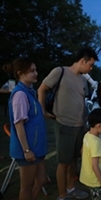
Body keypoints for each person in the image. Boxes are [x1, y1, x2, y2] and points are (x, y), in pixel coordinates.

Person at [38, 47, 98, 200]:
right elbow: (42, 89)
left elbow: (82, 101)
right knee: (63, 162)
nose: (91, 68)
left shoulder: (83, 79)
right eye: (90, 65)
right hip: (64, 124)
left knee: (74, 160)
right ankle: (62, 196)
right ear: (82, 61)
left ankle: (71, 189)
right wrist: (42, 110)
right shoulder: (60, 72)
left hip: (80, 126)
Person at [5, 57, 48, 200]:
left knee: (41, 180)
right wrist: (26, 150)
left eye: (36, 70)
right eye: (32, 71)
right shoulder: (20, 95)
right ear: (20, 74)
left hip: (37, 148)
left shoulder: (30, 92)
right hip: (28, 150)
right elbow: (19, 125)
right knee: (26, 187)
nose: (36, 73)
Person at [80, 108, 101, 200]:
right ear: (99, 126)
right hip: (96, 181)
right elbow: (95, 166)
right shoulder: (96, 143)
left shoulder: (87, 135)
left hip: (88, 177)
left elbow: (82, 151)